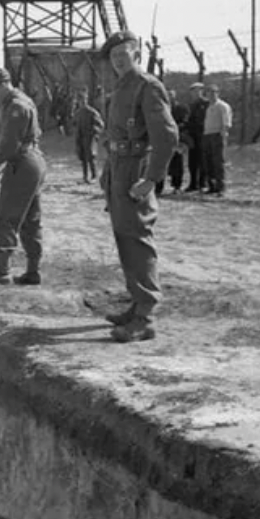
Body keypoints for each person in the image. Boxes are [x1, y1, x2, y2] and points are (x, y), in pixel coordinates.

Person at [98, 30, 179, 343]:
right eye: (114, 57)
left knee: (137, 238)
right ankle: (136, 303)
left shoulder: (147, 86)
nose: (118, 61)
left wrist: (151, 179)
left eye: (123, 55)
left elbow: (167, 136)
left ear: (137, 54)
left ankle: (145, 317)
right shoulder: (121, 87)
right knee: (125, 238)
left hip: (135, 170)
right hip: (119, 167)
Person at [0, 68, 46, 286]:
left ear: (3, 85)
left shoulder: (15, 107)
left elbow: (8, 148)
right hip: (33, 161)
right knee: (31, 219)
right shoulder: (22, 101)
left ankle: (2, 272)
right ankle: (33, 271)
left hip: (22, 164)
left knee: (6, 215)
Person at [155, 90, 189, 196]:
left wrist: (173, 129)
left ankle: (177, 186)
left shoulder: (182, 108)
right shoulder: (159, 109)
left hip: (176, 138)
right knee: (161, 163)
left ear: (175, 97)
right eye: (167, 95)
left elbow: (185, 123)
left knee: (177, 163)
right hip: (162, 139)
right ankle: (158, 187)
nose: (169, 97)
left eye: (171, 96)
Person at [202, 84, 231, 195]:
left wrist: (223, 134)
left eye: (214, 92)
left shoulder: (222, 106)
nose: (211, 94)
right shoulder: (209, 107)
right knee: (208, 162)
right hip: (207, 135)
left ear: (217, 93)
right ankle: (212, 186)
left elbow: (226, 122)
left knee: (218, 162)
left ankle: (221, 187)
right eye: (209, 92)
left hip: (217, 135)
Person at [72, 89, 103, 183]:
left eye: (83, 100)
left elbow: (100, 124)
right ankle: (85, 176)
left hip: (89, 138)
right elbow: (74, 124)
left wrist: (94, 133)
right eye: (80, 100)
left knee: (90, 157)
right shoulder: (78, 113)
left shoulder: (92, 112)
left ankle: (94, 175)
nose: (82, 102)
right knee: (82, 157)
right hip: (80, 138)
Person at [182, 82, 208, 192]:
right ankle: (193, 183)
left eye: (198, 90)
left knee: (203, 159)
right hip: (193, 135)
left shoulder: (206, 103)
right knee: (192, 160)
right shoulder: (191, 105)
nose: (196, 93)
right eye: (193, 91)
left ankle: (203, 182)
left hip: (203, 134)